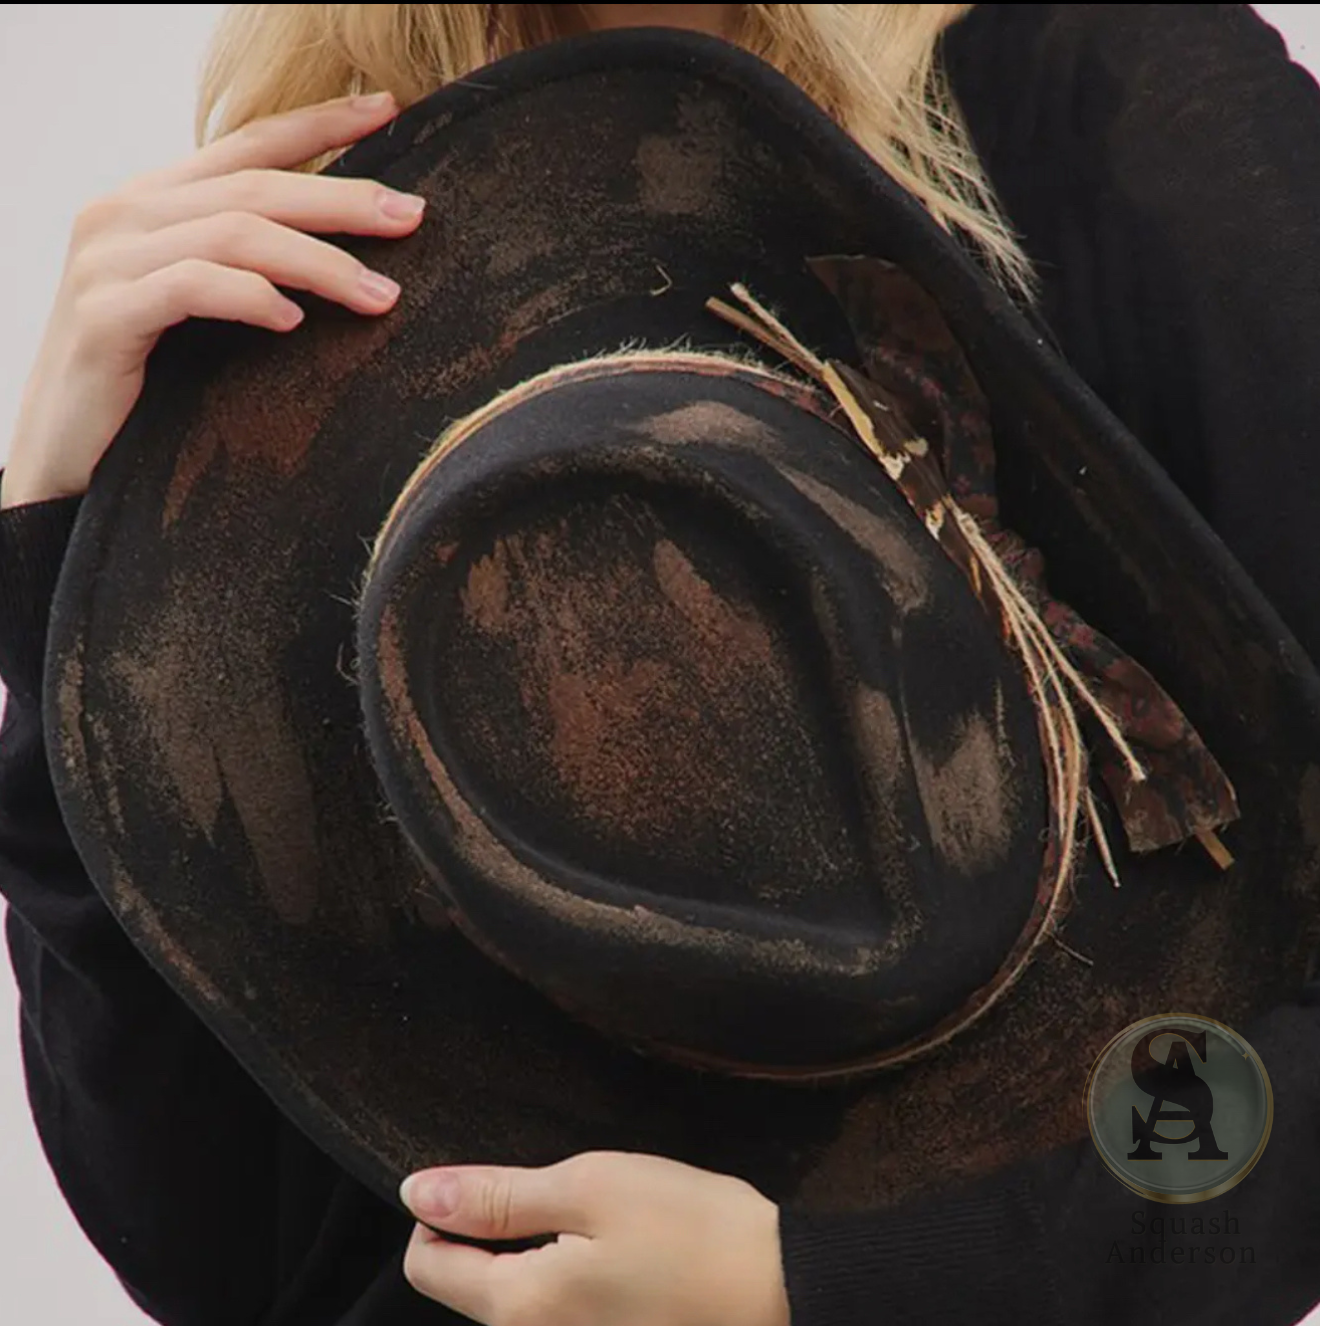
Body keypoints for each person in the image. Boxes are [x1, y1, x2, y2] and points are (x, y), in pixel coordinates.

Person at [2, 4, 1318, 1325]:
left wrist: (825, 1288)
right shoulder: (323, 219)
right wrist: (57, 544)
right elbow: (235, 1254)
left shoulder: (1111, 106)